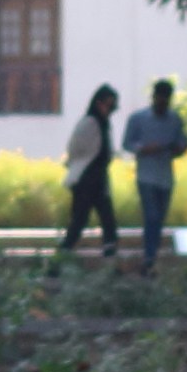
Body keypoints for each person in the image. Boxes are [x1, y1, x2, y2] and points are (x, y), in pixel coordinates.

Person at [120, 78, 187, 270]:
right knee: (151, 216)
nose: (163, 103)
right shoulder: (138, 118)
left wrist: (179, 148)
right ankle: (149, 256)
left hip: (165, 177)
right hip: (146, 176)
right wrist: (144, 148)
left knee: (158, 218)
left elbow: (182, 143)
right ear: (154, 97)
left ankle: (152, 254)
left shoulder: (175, 120)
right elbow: (127, 143)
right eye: (160, 98)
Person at [59, 86, 119, 258]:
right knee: (79, 219)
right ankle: (62, 256)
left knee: (107, 217)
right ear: (99, 103)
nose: (110, 110)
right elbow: (75, 149)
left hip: (98, 178)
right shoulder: (88, 123)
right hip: (86, 179)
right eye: (109, 105)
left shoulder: (104, 123)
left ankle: (109, 249)